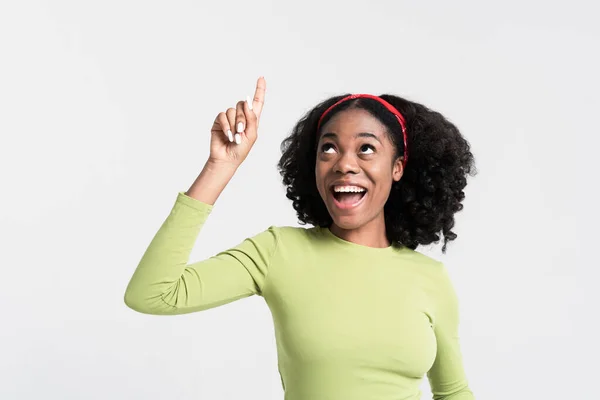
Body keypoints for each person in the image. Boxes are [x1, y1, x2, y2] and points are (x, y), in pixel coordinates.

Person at [124, 77, 477, 399]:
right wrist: (221, 166)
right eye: (329, 148)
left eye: (366, 149)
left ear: (397, 167)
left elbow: (453, 392)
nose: (344, 164)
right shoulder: (279, 252)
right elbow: (152, 293)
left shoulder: (431, 279)